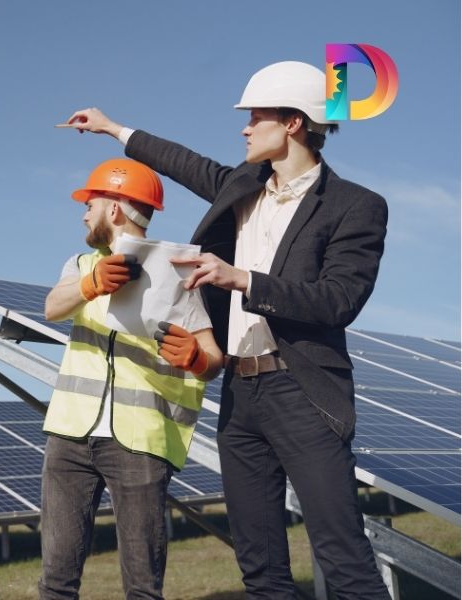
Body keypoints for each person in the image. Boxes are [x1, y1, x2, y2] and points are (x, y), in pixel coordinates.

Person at [59, 61, 390, 598]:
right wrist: (113, 127)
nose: (244, 128)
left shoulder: (356, 206)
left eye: (256, 117)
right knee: (260, 568)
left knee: (343, 557)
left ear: (293, 124)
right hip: (240, 395)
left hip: (303, 392)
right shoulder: (241, 187)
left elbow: (340, 300)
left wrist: (244, 279)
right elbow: (183, 162)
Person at [40, 157, 223, 599]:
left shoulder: (181, 271)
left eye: (91, 202)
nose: (84, 212)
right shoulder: (81, 264)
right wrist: (90, 285)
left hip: (141, 441)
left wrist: (198, 358)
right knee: (56, 580)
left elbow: (214, 357)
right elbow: (51, 307)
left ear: (116, 208)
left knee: (142, 585)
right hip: (69, 436)